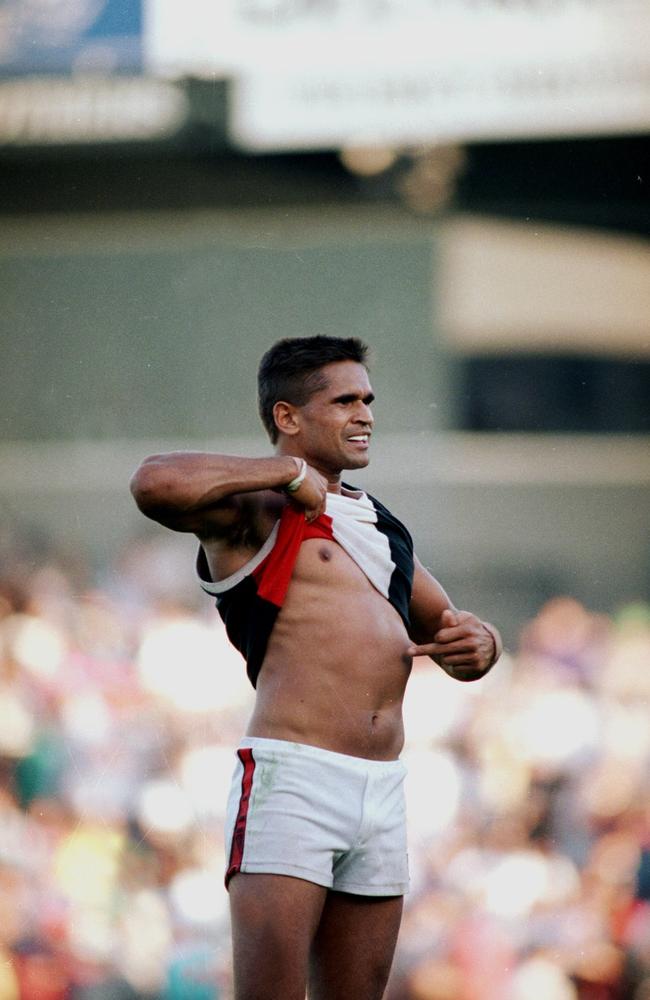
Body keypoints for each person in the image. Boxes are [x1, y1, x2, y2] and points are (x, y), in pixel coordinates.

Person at [129, 335, 502, 1000]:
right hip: (292, 778)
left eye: (368, 400)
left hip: (383, 787)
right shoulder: (256, 511)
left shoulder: (377, 524)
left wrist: (484, 644)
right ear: (287, 417)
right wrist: (285, 475)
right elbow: (153, 482)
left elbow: (455, 632)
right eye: (345, 401)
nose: (366, 415)